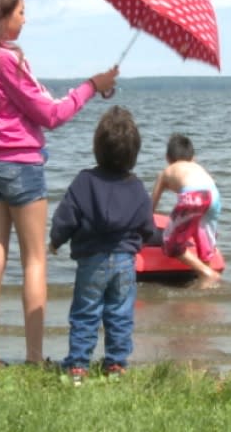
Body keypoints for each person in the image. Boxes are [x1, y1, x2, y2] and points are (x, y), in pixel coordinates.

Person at [0, 0, 118, 368]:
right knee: (34, 261)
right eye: (21, 12)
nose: (25, 20)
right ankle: (33, 356)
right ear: (0, 16)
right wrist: (92, 85)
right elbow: (50, 114)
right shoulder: (8, 61)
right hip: (22, 167)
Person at [48, 105, 154, 384]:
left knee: (85, 312)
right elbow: (147, 225)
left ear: (98, 148)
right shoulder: (137, 187)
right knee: (120, 313)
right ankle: (116, 364)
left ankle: (78, 366)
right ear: (134, 154)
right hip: (124, 261)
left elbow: (66, 216)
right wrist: (144, 241)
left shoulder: (85, 181)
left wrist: (56, 240)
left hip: (91, 260)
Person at [150, 134, 222, 288]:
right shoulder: (199, 168)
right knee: (205, 246)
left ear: (167, 158)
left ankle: (207, 273)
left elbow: (151, 207)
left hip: (194, 196)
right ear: (193, 158)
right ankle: (204, 282)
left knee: (170, 244)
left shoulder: (166, 172)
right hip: (214, 196)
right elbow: (207, 191)